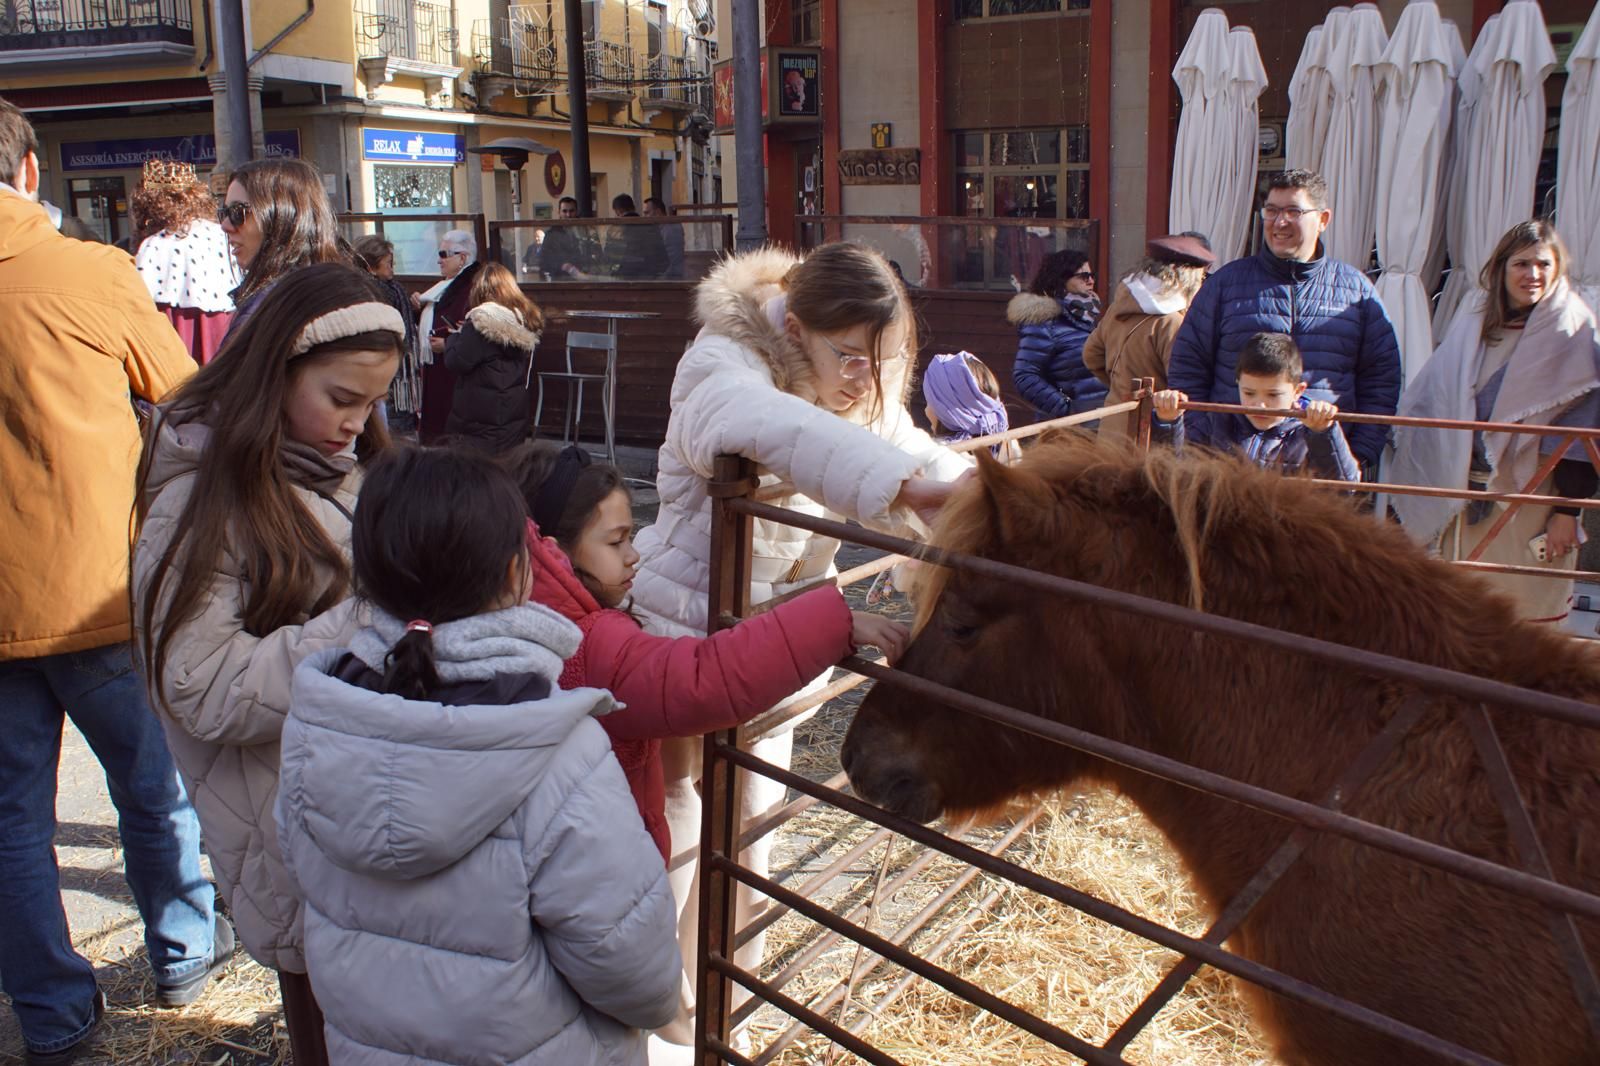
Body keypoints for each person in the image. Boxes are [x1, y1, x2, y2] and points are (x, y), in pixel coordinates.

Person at [628, 243, 972, 1052]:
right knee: (678, 824)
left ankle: (729, 1008)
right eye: (847, 355)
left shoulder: (851, 390)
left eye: (881, 362)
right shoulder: (722, 362)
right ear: (794, 325)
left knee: (753, 834)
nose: (863, 378)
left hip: (777, 645)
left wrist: (984, 490)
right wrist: (908, 490)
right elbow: (770, 423)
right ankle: (660, 1019)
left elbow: (908, 441)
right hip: (688, 633)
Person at [275, 446, 680, 1065]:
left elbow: (302, 877)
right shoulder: (555, 749)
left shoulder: (319, 725)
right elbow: (638, 975)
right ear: (519, 573)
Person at [0, 97, 227, 1066]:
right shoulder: (88, 272)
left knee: (10, 824)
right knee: (153, 787)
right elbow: (185, 392)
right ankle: (180, 951)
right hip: (95, 589)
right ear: (30, 174)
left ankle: (52, 1014)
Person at [132, 263, 404, 1066]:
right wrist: (370, 626)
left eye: (372, 402)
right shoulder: (202, 499)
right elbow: (200, 684)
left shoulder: (340, 470)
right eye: (340, 399)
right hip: (289, 834)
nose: (356, 423)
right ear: (272, 376)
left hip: (356, 816)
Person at [506, 440, 908, 859]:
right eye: (615, 542)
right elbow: (704, 681)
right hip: (602, 860)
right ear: (553, 549)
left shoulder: (519, 617)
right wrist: (834, 623)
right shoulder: (587, 643)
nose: (634, 555)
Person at [1390, 220, 1600, 624]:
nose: (1532, 275)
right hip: (1467, 486)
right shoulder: (1475, 325)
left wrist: (1567, 513)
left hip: (1535, 494)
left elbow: (1582, 432)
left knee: (1526, 613)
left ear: (1557, 268)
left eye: (1542, 263)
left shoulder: (1573, 332)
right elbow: (1435, 399)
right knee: (1469, 609)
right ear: (1502, 269)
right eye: (1521, 264)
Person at [1167, 169, 1402, 473]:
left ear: (1323, 219)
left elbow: (1381, 379)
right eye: (1272, 211)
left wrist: (1360, 452)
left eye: (1294, 211)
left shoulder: (1356, 290)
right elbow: (1188, 367)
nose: (1280, 222)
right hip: (1229, 466)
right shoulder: (1225, 285)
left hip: (1321, 468)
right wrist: (1201, 442)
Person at [1155, 332, 1359, 482]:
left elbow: (1346, 488)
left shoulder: (1307, 432)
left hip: (1286, 532)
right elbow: (1174, 473)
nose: (1260, 405)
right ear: (1238, 384)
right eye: (1249, 393)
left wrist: (1324, 433)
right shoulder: (1218, 420)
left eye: (1273, 394)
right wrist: (1168, 421)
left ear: (1298, 390)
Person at [1084, 233, 1215, 440]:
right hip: (1150, 435)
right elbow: (1182, 384)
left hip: (1112, 426)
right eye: (1200, 277)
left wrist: (1122, 386)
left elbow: (1091, 355)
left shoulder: (1119, 309)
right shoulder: (1172, 323)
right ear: (1188, 278)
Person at [217, 157, 346, 341]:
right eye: (224, 213)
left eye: (238, 212)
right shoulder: (334, 288)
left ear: (282, 216)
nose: (225, 225)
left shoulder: (269, 311)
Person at [131, 159, 238, 364]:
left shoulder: (154, 245)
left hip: (175, 338)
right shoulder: (224, 235)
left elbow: (142, 309)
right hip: (227, 331)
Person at [444, 262, 544, 453]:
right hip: (510, 417)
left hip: (479, 422)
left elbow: (455, 361)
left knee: (477, 476)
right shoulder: (519, 319)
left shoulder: (480, 322)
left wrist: (453, 337)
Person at [1009, 249, 1108, 423]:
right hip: (1068, 429)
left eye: (1092, 275)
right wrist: (1067, 409)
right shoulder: (1044, 320)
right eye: (1083, 276)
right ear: (1062, 279)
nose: (1091, 280)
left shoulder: (1091, 315)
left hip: (1102, 418)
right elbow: (1025, 376)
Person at [413, 229, 484, 442]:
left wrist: (449, 343)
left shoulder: (472, 287)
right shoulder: (448, 285)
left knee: (449, 430)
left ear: (462, 257)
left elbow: (473, 327)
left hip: (454, 367)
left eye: (444, 254)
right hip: (438, 364)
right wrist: (420, 307)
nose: (439, 260)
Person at [352, 234, 422, 432]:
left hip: (397, 370)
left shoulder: (393, 289)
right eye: (389, 262)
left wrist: (415, 308)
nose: (393, 267)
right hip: (383, 369)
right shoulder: (367, 291)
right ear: (371, 265)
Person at [921, 350, 1020, 461]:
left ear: (948, 411)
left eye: (930, 402)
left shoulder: (936, 460)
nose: (925, 410)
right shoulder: (1008, 449)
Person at [531, 195, 597, 280]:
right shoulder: (552, 234)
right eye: (564, 211)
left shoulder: (587, 231)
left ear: (576, 212)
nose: (568, 215)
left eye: (571, 211)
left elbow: (596, 254)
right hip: (562, 281)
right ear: (559, 212)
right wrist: (562, 266)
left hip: (586, 280)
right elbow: (544, 262)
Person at [607, 193, 669, 279]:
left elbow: (609, 259)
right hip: (649, 281)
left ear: (618, 211)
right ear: (634, 208)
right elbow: (663, 259)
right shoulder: (650, 227)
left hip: (622, 281)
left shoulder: (614, 230)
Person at [643, 196, 685, 279]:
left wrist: (659, 280)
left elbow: (672, 258)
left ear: (658, 212)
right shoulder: (661, 228)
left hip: (671, 277)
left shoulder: (671, 229)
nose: (645, 217)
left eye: (647, 213)